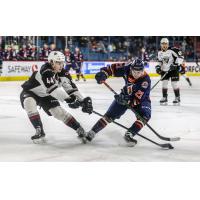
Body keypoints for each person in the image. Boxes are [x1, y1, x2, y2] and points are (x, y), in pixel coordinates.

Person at [20, 51, 93, 143]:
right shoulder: (45, 71)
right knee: (29, 102)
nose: (61, 65)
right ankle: (39, 130)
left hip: (46, 95)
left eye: (62, 63)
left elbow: (71, 89)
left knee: (58, 112)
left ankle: (79, 129)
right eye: (58, 63)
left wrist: (82, 101)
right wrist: (69, 99)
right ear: (51, 62)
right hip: (31, 92)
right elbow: (52, 90)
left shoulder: (63, 73)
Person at [86, 59, 151, 147]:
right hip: (125, 94)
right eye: (134, 72)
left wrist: (126, 100)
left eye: (139, 72)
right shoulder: (126, 67)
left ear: (143, 70)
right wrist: (104, 74)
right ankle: (92, 132)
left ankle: (129, 134)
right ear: (131, 68)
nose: (136, 74)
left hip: (141, 100)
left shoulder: (145, 80)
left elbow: (138, 99)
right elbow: (111, 69)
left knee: (145, 115)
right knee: (109, 115)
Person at [155, 38, 185, 105]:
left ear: (168, 44)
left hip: (173, 70)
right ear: (161, 44)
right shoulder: (159, 52)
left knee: (174, 84)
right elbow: (160, 61)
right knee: (164, 83)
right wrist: (158, 67)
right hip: (164, 70)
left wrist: (176, 64)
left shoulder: (173, 50)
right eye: (163, 44)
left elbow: (181, 57)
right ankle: (164, 97)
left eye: (166, 44)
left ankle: (177, 97)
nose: (164, 45)